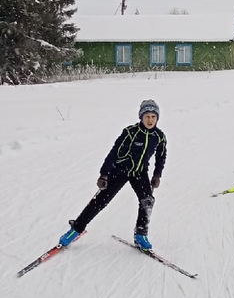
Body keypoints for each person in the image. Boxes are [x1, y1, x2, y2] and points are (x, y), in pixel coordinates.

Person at [59, 99, 167, 251]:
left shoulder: (159, 136)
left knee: (147, 201)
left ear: (157, 118)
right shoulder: (130, 132)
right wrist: (104, 174)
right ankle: (76, 229)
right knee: (100, 201)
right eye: (147, 116)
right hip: (119, 171)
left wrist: (157, 175)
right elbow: (114, 153)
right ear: (141, 117)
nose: (150, 120)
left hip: (139, 172)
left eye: (153, 117)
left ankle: (140, 235)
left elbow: (161, 156)